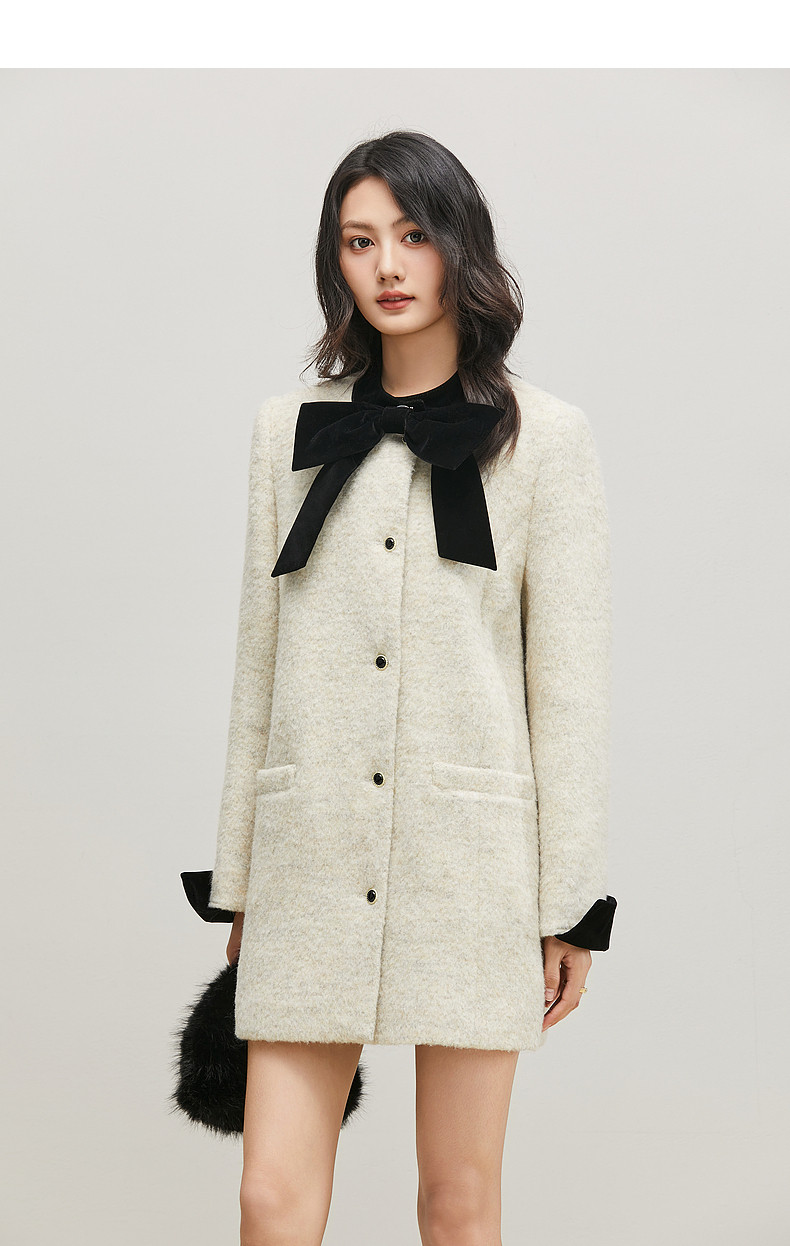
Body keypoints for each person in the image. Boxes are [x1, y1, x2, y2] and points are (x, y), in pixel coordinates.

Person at [207, 129, 617, 1246]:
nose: (387, 265)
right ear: (334, 261)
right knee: (270, 1196)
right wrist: (240, 881)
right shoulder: (286, 434)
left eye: (413, 234)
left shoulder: (547, 442)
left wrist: (569, 905)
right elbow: (258, 663)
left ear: (457, 248)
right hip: (310, 852)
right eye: (358, 241)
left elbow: (568, 692)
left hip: (471, 867)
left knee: (457, 1200)